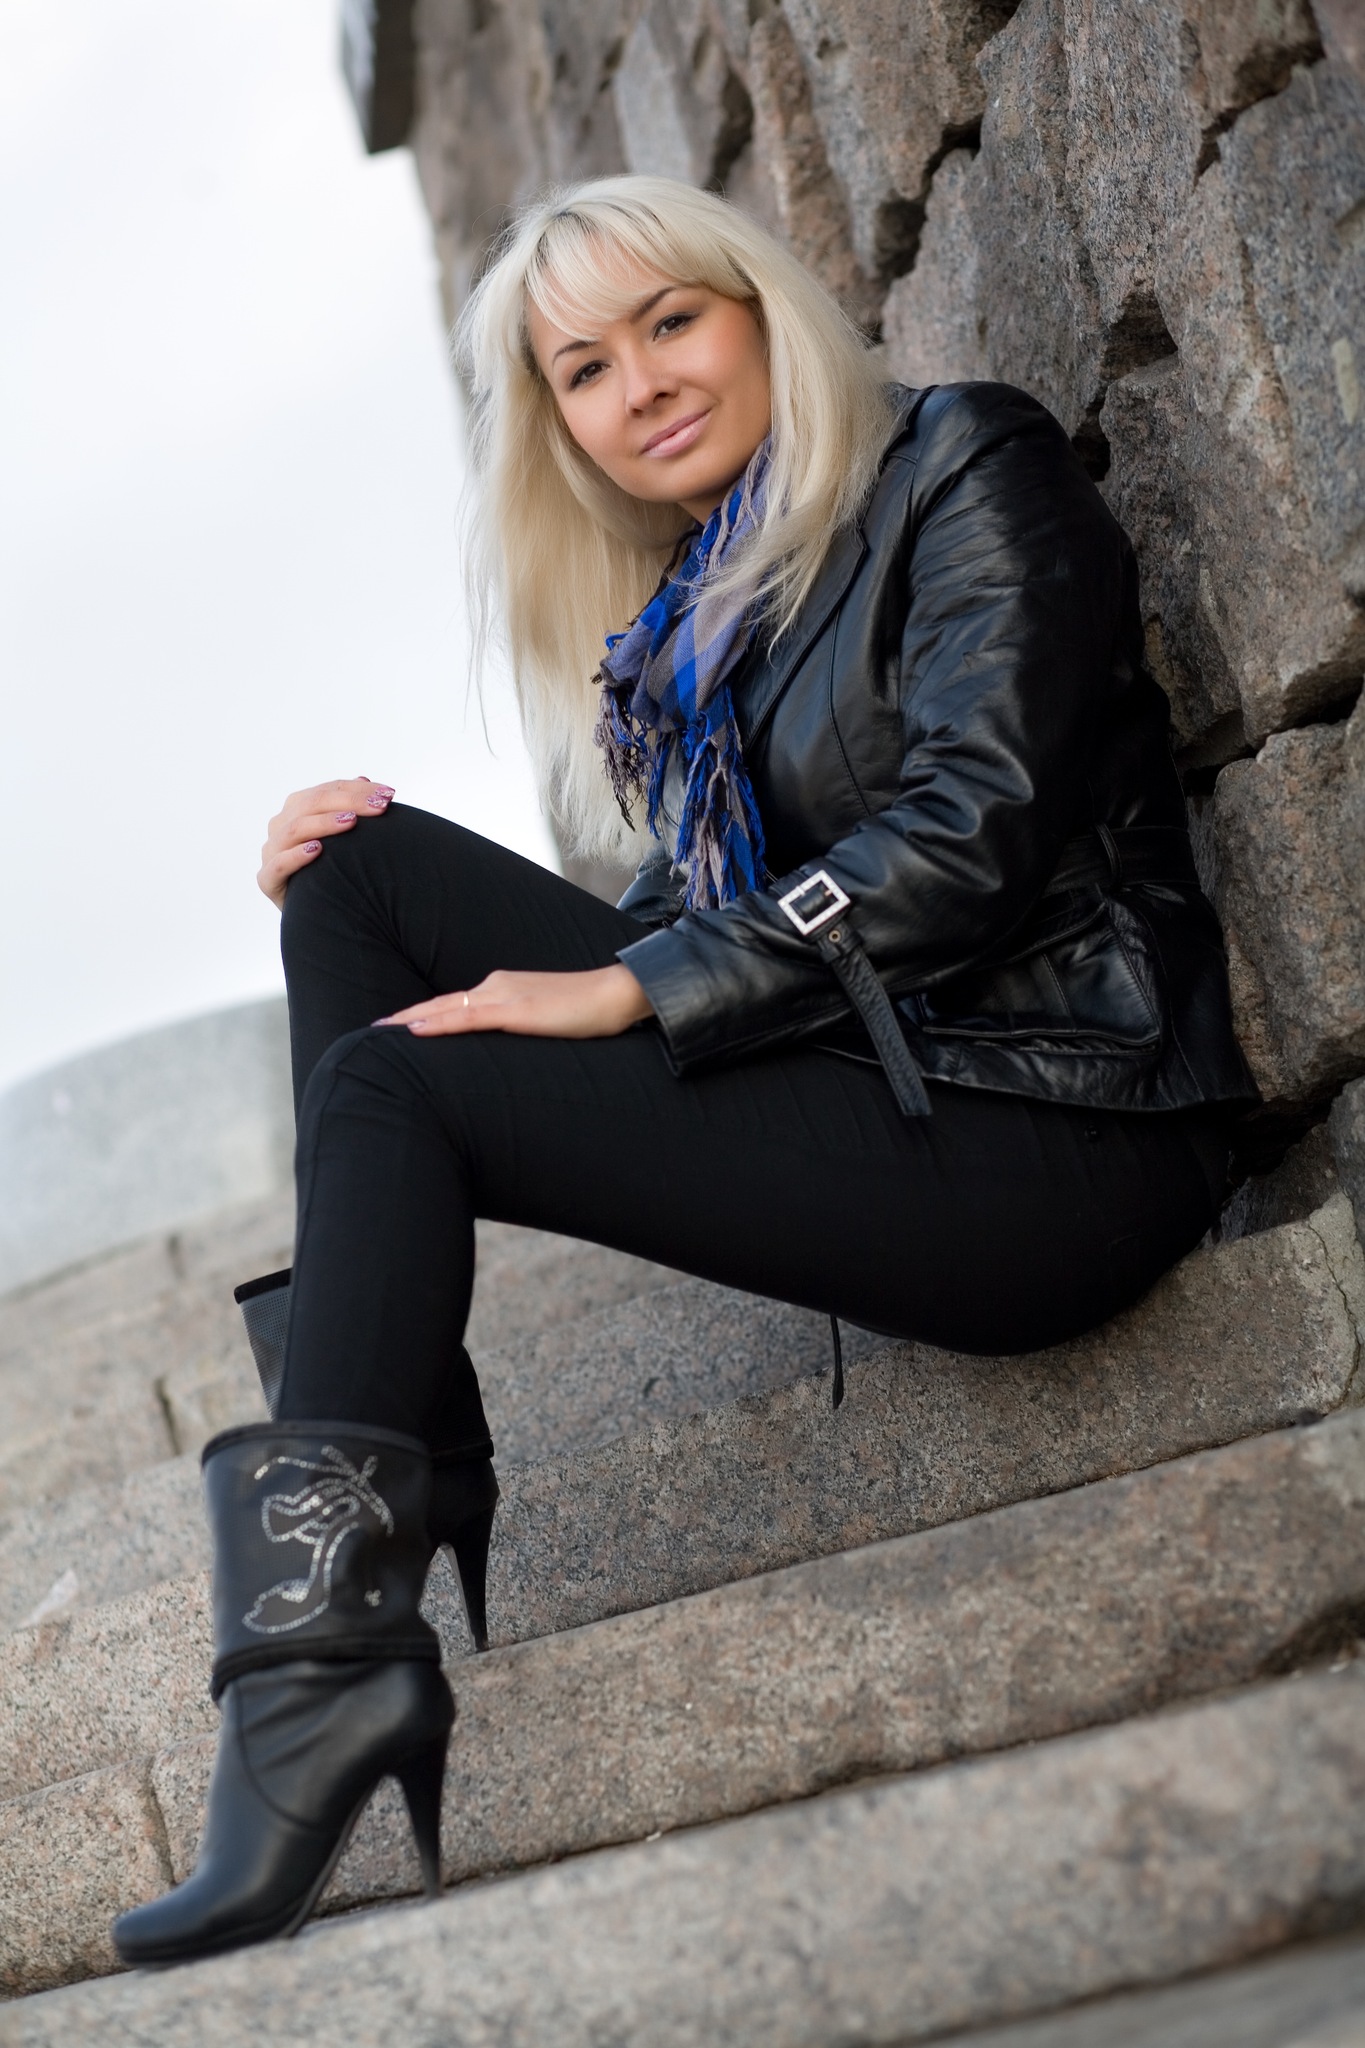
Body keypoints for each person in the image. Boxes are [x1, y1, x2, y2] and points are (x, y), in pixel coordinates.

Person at [113, 175, 1255, 1965]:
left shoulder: (957, 465)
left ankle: (315, 1664)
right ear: (556, 424)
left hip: (1060, 1130)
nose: (637, 384)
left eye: (670, 323)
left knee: (400, 1084)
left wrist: (640, 986)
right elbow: (690, 904)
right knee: (353, 867)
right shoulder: (704, 625)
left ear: (758, 311)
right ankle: (387, 1498)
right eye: (584, 367)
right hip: (878, 1090)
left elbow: (974, 831)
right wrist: (622, 962)